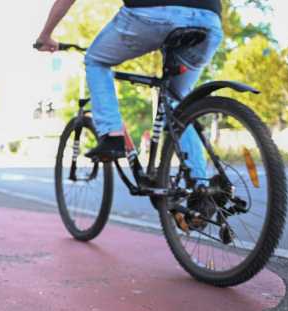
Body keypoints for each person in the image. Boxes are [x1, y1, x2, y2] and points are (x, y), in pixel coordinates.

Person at [36, 0, 224, 181]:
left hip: (150, 14)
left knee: (96, 60)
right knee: (178, 104)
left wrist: (45, 35)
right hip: (209, 19)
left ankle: (112, 136)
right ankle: (201, 187)